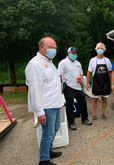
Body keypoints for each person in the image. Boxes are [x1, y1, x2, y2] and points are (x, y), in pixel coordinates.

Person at [25, 36, 63, 165]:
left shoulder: (49, 62)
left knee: (56, 127)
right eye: (50, 47)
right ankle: (44, 160)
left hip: (56, 103)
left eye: (55, 48)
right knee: (48, 132)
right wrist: (40, 112)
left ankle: (49, 150)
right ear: (41, 48)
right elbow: (34, 90)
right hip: (46, 106)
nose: (54, 50)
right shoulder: (34, 64)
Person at [58, 47, 92, 131]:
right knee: (69, 105)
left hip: (78, 87)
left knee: (83, 103)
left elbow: (81, 74)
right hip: (69, 86)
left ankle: (84, 119)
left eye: (75, 53)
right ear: (68, 53)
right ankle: (71, 123)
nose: (74, 54)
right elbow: (59, 75)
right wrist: (61, 86)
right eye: (72, 53)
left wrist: (80, 78)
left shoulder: (78, 63)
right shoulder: (63, 63)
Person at [86, 42, 112, 120]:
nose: (100, 49)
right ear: (96, 49)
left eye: (101, 48)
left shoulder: (107, 60)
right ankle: (94, 114)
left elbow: (110, 72)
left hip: (105, 83)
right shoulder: (92, 60)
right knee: (95, 99)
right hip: (96, 83)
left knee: (104, 99)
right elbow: (89, 72)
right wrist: (87, 82)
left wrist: (111, 83)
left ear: (104, 50)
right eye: (98, 48)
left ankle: (103, 113)